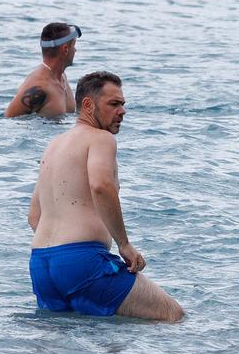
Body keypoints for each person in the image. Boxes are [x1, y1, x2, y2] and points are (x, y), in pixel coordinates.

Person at [28, 71, 184, 322]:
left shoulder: (54, 145)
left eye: (123, 104)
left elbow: (34, 216)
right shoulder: (101, 139)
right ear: (88, 105)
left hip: (41, 264)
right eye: (114, 104)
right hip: (82, 260)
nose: (122, 111)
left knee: (71, 347)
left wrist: (61, 256)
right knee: (171, 314)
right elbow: (101, 185)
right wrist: (123, 244)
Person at [6, 23, 79, 118]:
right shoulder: (39, 87)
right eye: (74, 45)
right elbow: (9, 120)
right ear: (65, 49)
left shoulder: (62, 77)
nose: (75, 50)